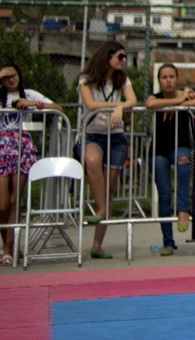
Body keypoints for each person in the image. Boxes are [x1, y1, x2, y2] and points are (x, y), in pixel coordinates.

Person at [0, 63, 57, 266]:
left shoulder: (29, 93)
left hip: (21, 147)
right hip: (1, 148)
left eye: (14, 75)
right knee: (1, 204)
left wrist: (33, 104)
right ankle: (5, 244)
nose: (11, 79)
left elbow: (58, 107)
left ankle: (10, 248)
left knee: (14, 202)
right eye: (6, 76)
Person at [78, 40, 138, 260]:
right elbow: (91, 104)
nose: (123, 61)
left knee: (109, 190)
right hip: (93, 134)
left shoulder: (121, 79)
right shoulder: (86, 79)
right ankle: (101, 211)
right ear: (107, 57)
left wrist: (121, 106)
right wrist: (117, 106)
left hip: (116, 137)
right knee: (92, 160)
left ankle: (97, 245)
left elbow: (132, 99)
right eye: (120, 56)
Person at [145, 63, 195, 256]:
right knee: (164, 196)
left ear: (176, 79)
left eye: (172, 77)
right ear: (159, 80)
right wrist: (181, 99)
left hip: (180, 146)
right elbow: (149, 104)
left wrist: (180, 100)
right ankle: (168, 242)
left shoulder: (186, 95)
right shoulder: (157, 97)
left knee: (183, 161)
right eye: (164, 77)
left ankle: (183, 210)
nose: (168, 80)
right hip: (159, 150)